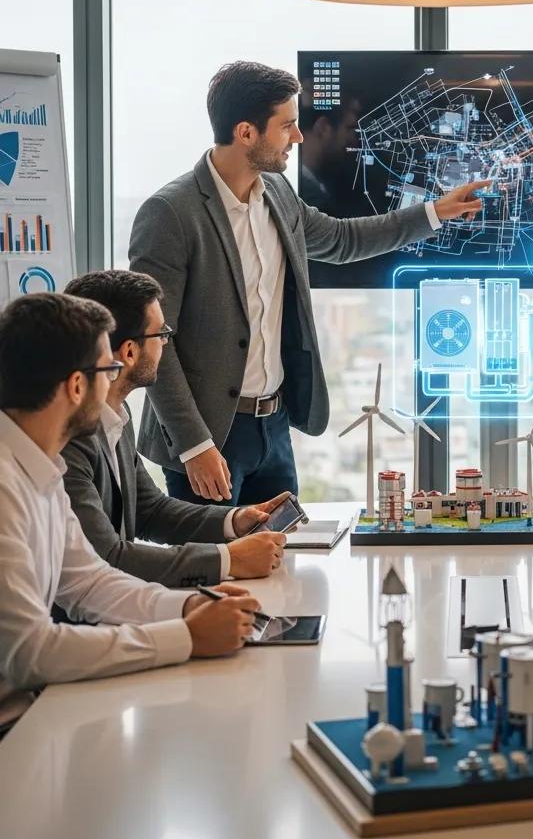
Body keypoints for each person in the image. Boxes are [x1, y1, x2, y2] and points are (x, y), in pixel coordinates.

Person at [129, 61, 491, 505]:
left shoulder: (278, 194)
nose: (298, 138)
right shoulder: (170, 213)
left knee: (281, 560)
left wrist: (434, 212)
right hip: (209, 439)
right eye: (287, 126)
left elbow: (341, 239)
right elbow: (151, 340)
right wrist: (193, 445)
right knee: (217, 570)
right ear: (246, 133)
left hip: (273, 429)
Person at [0, 293, 260, 737]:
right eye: (107, 371)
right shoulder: (6, 484)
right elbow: (32, 651)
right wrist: (185, 637)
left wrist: (193, 606)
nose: (114, 381)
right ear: (77, 386)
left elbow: (88, 581)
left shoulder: (43, 466)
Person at [63, 270, 290, 588]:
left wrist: (234, 520)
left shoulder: (117, 414)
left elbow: (150, 511)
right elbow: (107, 558)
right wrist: (229, 559)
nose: (166, 345)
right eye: (161, 335)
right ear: (129, 352)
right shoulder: (67, 437)